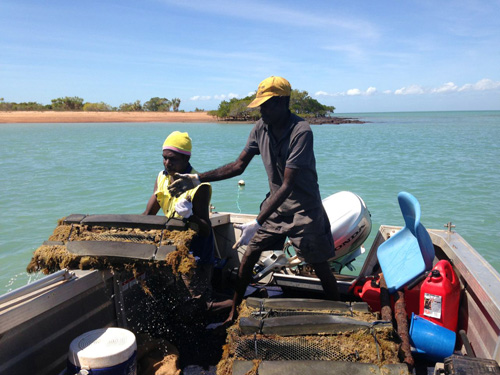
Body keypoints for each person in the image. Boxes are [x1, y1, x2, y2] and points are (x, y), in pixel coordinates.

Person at [168, 76, 339, 322]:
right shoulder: (260, 127)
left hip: (305, 210)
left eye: (266, 104)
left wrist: (258, 221)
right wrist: (196, 178)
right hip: (276, 208)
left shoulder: (301, 131)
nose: (261, 110)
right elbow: (238, 165)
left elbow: (289, 185)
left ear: (282, 101)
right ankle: (233, 314)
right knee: (249, 255)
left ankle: (346, 315)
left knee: (320, 265)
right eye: (260, 105)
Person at [143, 131, 215, 306]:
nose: (167, 163)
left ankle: (234, 306)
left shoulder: (200, 187)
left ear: (186, 159)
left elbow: (205, 229)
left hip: (196, 253)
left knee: (198, 302)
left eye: (172, 159)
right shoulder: (162, 178)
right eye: (164, 158)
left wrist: (190, 216)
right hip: (175, 248)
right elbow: (147, 216)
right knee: (176, 299)